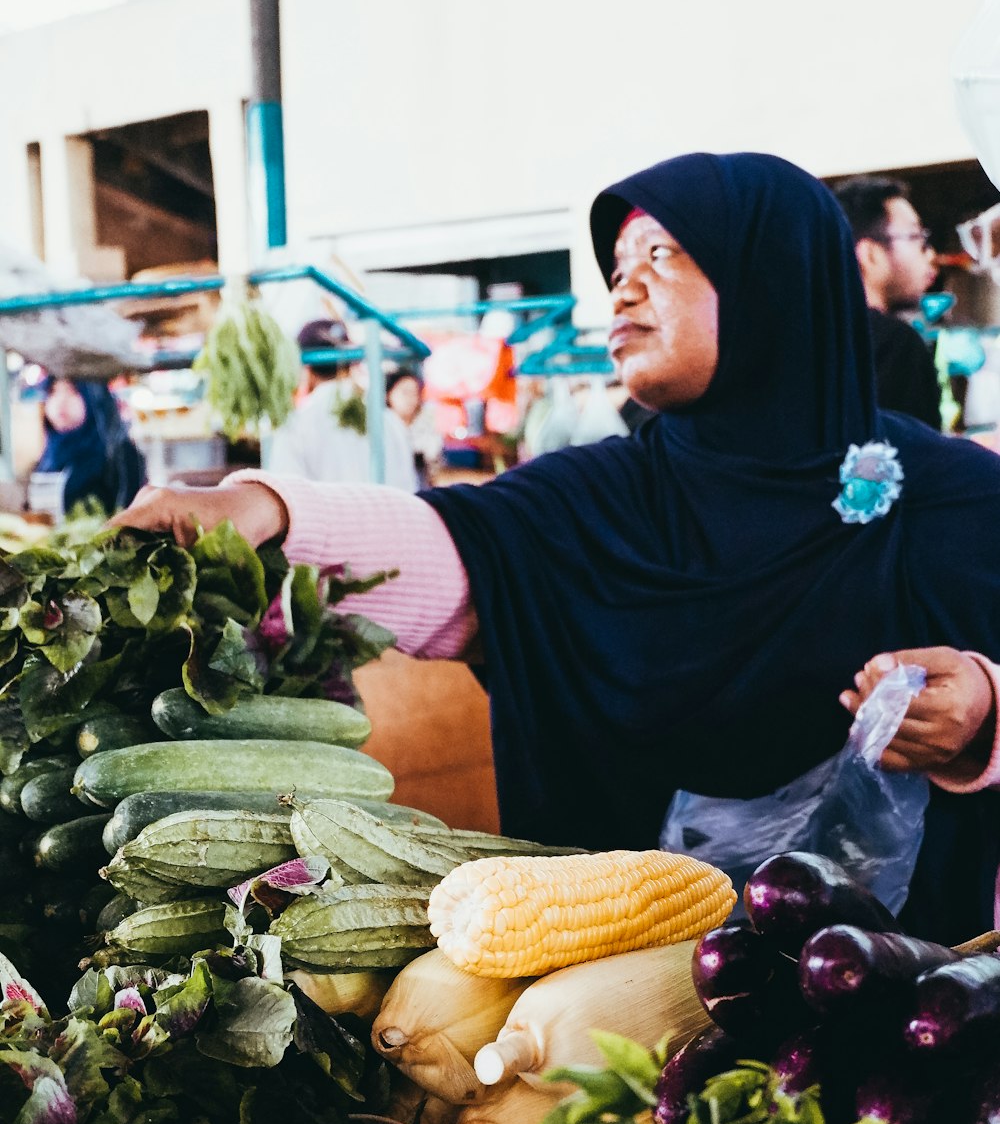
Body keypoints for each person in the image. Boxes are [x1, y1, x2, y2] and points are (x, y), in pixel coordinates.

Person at [113, 152, 1000, 944]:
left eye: (662, 256)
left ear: (777, 279)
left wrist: (982, 714)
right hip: (646, 1006)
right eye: (617, 267)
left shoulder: (955, 497)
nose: (623, 288)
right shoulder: (603, 495)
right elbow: (463, 549)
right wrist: (264, 509)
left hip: (906, 1008)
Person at [833, 175, 943, 429]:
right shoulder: (896, 344)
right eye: (916, 237)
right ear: (870, 254)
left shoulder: (809, 336)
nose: (930, 254)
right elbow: (918, 460)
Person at [267, 320, 418, 492]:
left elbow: (287, 494)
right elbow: (409, 490)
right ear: (350, 364)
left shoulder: (296, 425)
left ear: (306, 369)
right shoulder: (391, 422)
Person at [32, 376, 145, 515]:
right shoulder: (48, 457)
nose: (61, 401)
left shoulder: (121, 455)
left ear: (94, 398)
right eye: (53, 392)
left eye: (73, 391)